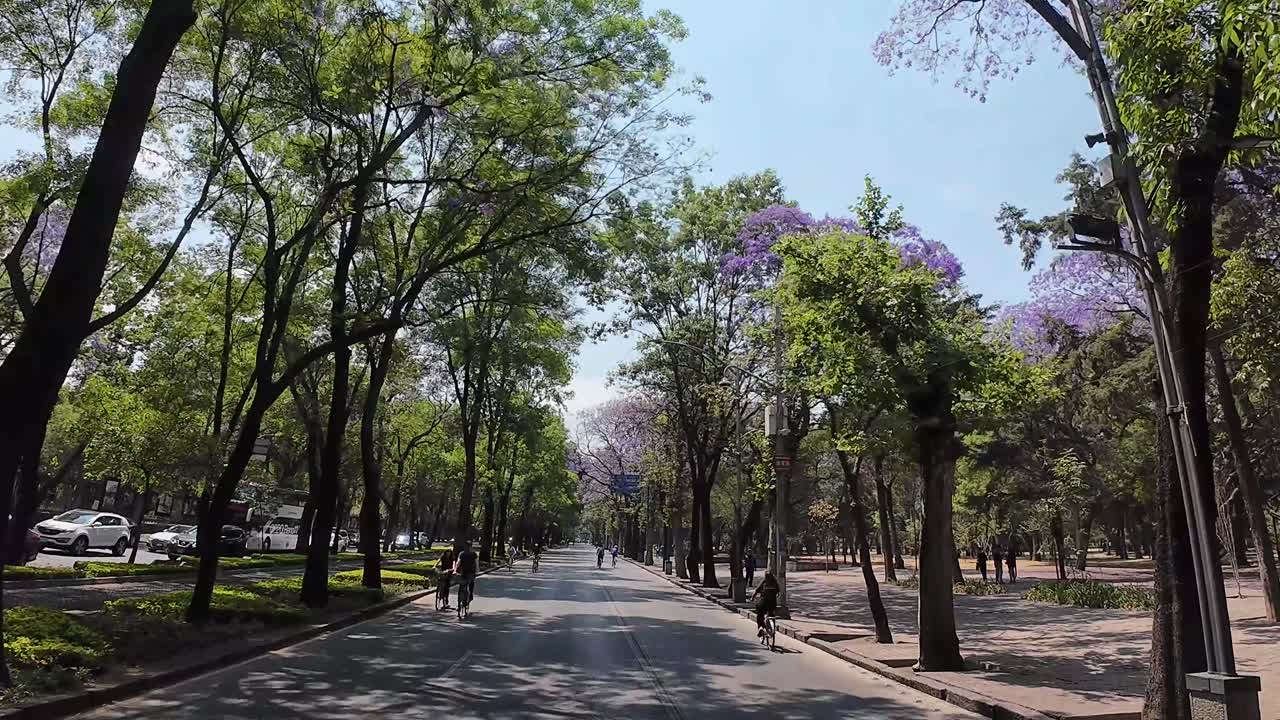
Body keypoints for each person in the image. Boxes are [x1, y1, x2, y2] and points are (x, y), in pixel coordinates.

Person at [752, 570, 781, 635]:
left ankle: (761, 627)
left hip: (763, 603)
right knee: (771, 613)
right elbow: (778, 593)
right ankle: (771, 629)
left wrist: (752, 597)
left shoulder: (763, 582)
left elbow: (756, 590)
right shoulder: (775, 583)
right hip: (772, 603)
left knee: (760, 614)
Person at [454, 542, 479, 608]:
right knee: (470, 584)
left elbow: (458, 563)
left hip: (464, 572)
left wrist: (455, 570)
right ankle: (470, 595)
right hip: (469, 572)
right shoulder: (473, 554)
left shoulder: (462, 553)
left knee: (462, 586)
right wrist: (477, 571)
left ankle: (459, 604)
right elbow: (476, 563)